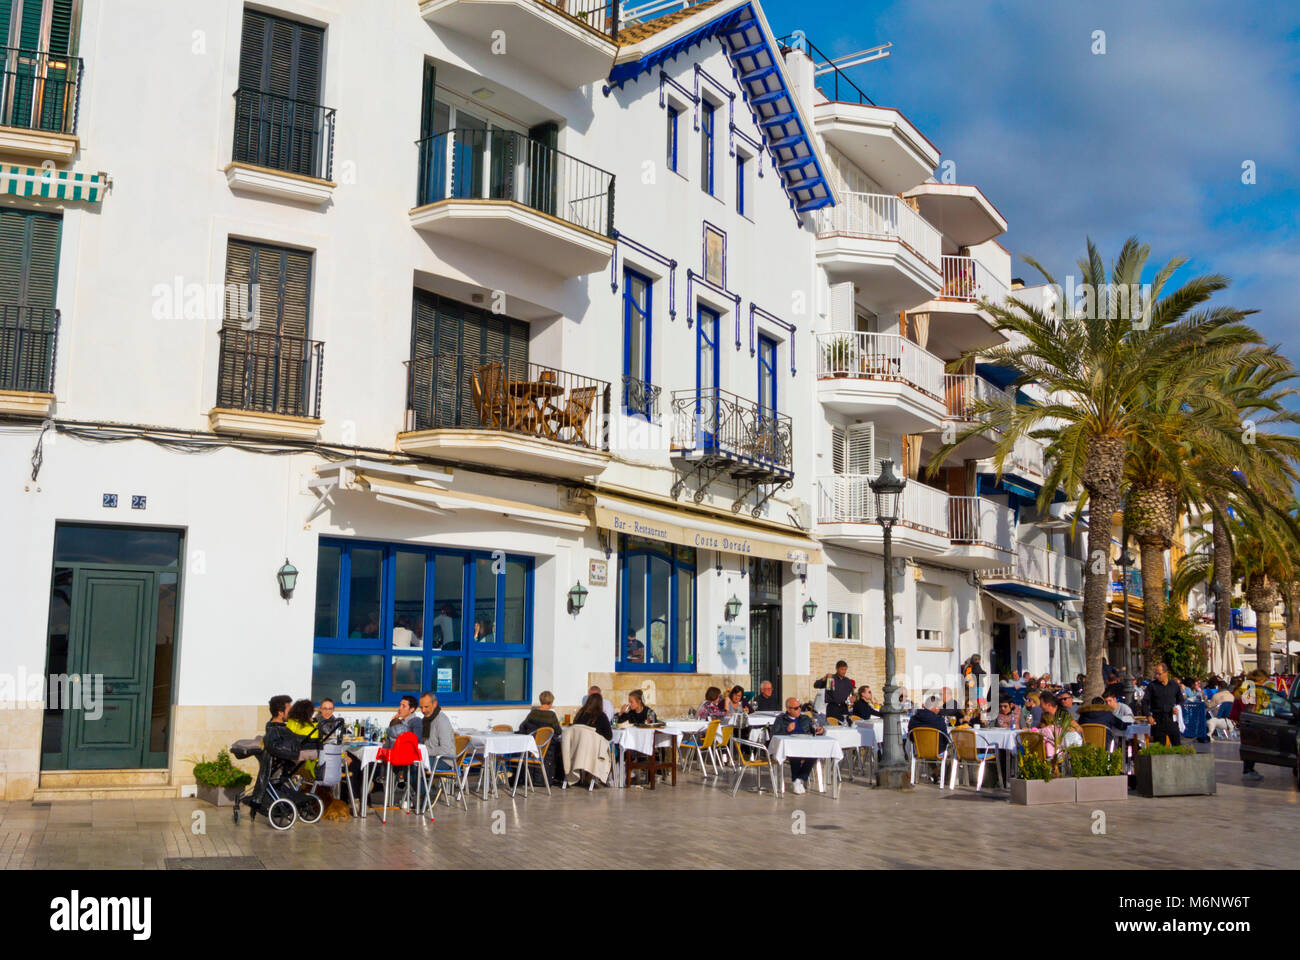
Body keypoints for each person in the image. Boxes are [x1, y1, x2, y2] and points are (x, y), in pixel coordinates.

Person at [771, 696, 823, 794]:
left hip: (806, 746)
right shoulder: (781, 719)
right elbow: (774, 735)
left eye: (800, 707)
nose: (799, 709)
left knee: (815, 753)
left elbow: (813, 730)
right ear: (788, 709)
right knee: (795, 755)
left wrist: (820, 730)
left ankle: (798, 779)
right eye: (796, 708)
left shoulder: (805, 718)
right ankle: (797, 780)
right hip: (789, 748)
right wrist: (787, 730)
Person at [1146, 662, 1184, 747]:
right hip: (1158, 718)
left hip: (1171, 718)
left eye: (1159, 674)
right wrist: (1148, 715)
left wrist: (1178, 707)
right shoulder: (1152, 686)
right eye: (1156, 674)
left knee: (1177, 745)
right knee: (1159, 747)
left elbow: (1181, 699)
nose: (1157, 676)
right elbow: (1145, 701)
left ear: (1166, 673)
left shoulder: (1174, 685)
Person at [419, 691, 457, 760]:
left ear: (435, 704)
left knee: (416, 766)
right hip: (430, 757)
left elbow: (445, 749)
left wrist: (425, 752)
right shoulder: (425, 720)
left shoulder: (442, 720)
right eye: (421, 707)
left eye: (426, 707)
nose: (423, 710)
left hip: (444, 760)